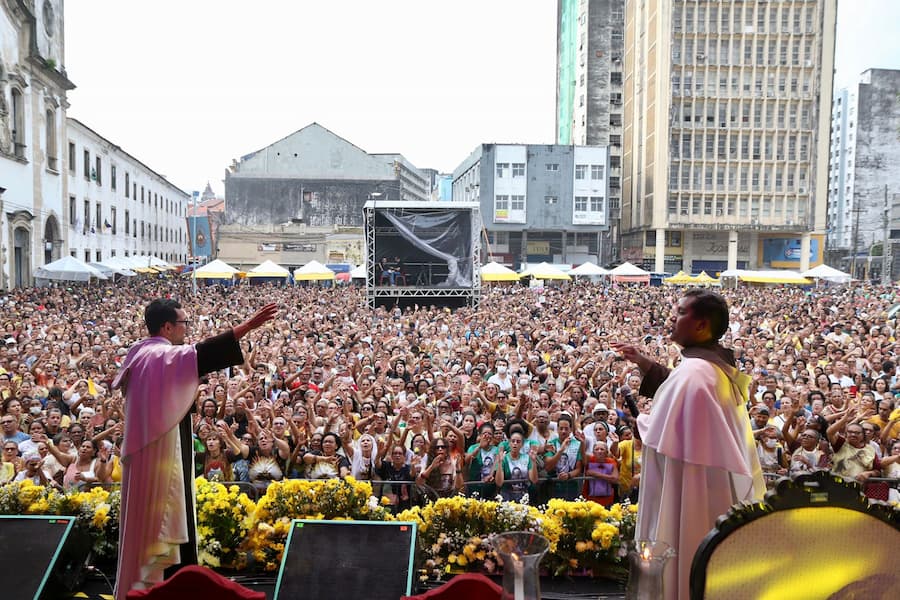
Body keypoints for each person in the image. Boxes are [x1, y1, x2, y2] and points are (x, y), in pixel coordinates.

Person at [112, 298, 277, 599]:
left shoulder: (139, 352)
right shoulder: (159, 355)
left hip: (149, 449)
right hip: (160, 453)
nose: (188, 329)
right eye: (185, 323)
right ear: (167, 326)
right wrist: (248, 326)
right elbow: (202, 353)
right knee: (163, 518)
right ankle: (163, 585)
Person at [614, 289, 765, 600]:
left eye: (681, 312)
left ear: (701, 325)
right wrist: (645, 363)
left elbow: (661, 427)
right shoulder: (709, 367)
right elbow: (677, 392)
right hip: (708, 488)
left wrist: (640, 423)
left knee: (682, 556)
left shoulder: (697, 374)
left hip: (690, 488)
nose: (672, 317)